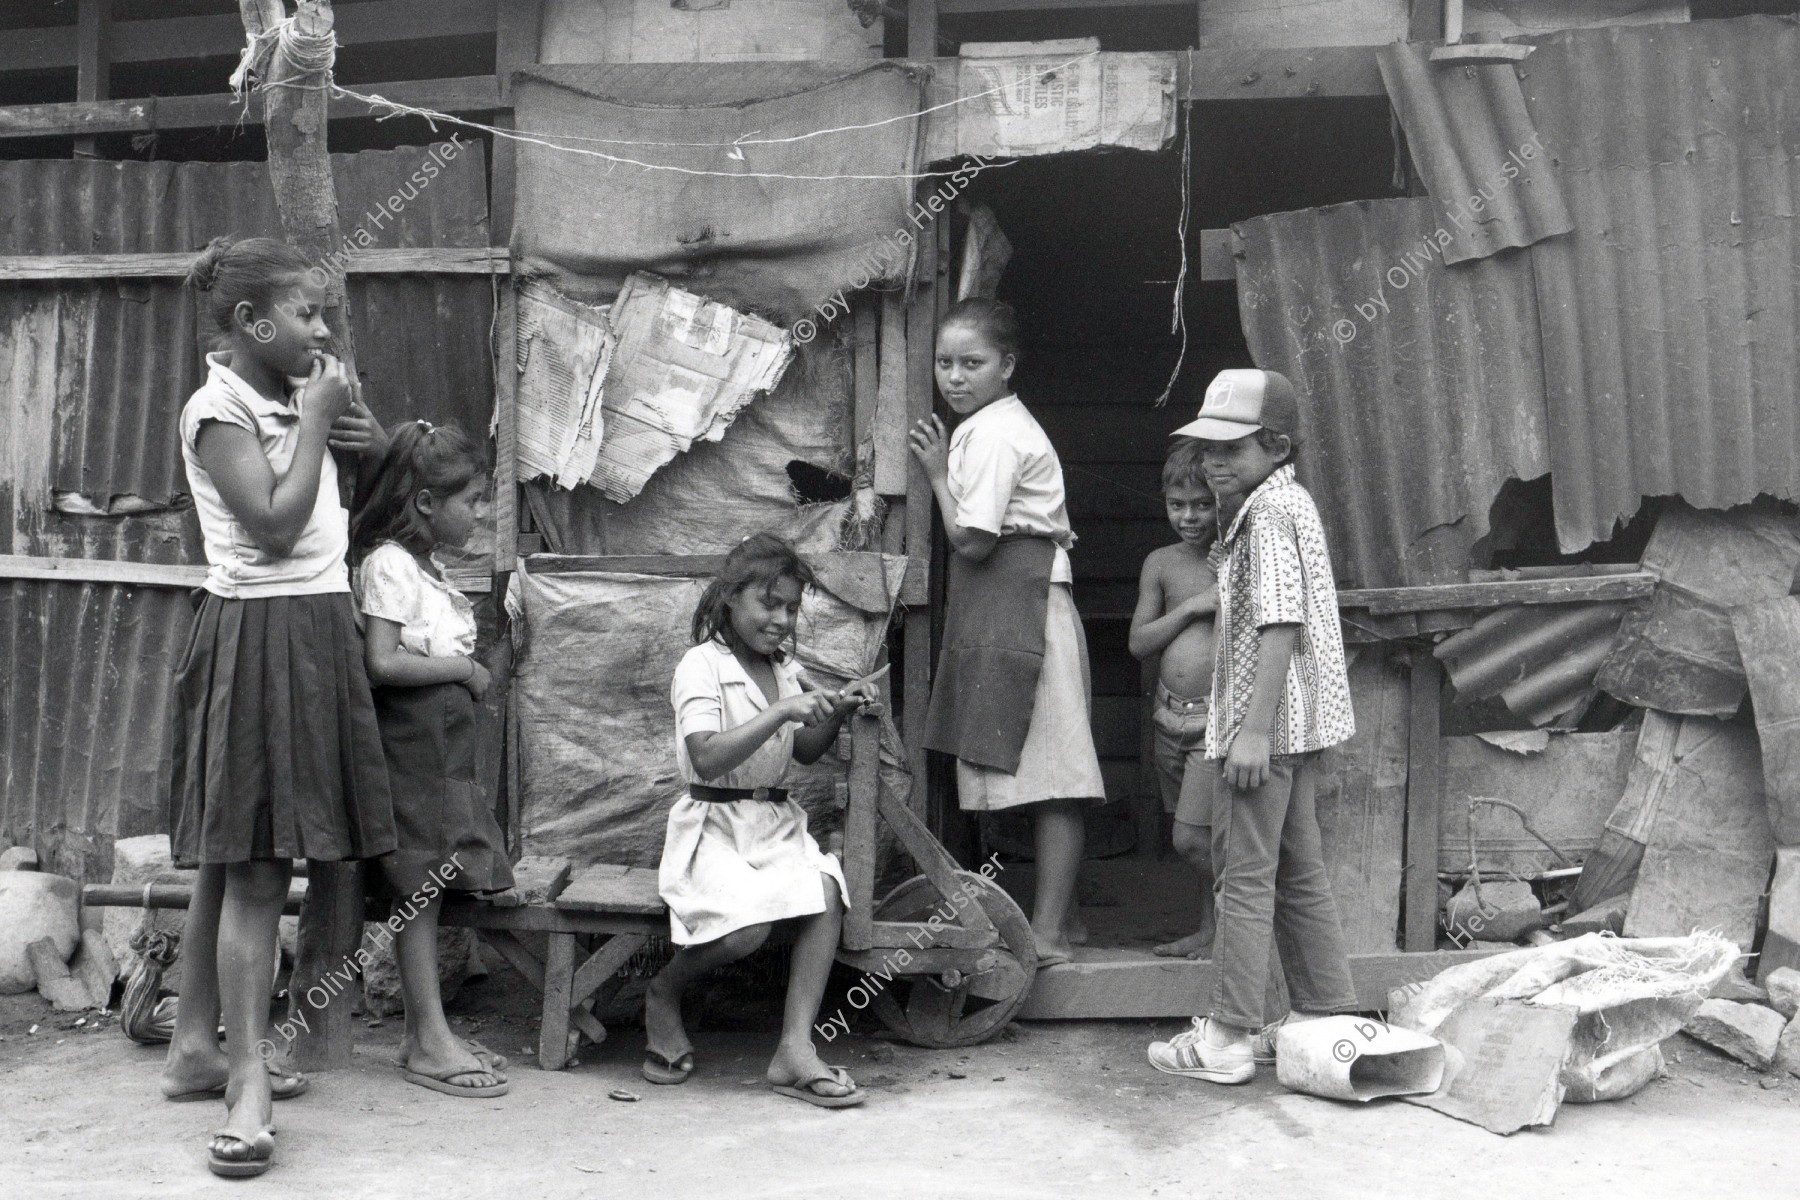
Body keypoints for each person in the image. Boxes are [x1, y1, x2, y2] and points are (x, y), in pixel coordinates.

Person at [160, 236, 396, 1177]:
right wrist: (317, 417)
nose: (324, 329)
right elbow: (271, 520)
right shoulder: (218, 408)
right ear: (254, 324)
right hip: (258, 633)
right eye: (308, 314)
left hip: (314, 624)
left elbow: (344, 509)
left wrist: (359, 441)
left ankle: (192, 1046)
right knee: (258, 865)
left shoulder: (293, 398)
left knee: (241, 845)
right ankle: (248, 1081)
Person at [1146, 368, 1358, 1085]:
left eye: (1230, 449)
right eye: (1206, 447)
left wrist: (1253, 730)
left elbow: (1280, 623)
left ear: (1275, 445)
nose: (1212, 462)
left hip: (1267, 725)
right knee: (1298, 871)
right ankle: (1325, 1017)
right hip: (1298, 724)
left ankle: (1229, 1037)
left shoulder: (1266, 514)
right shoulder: (1284, 501)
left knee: (1241, 876)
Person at [643, 534, 881, 1108]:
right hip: (713, 825)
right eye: (768, 604)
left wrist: (837, 712)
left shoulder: (784, 668)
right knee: (746, 927)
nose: (780, 620)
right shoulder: (701, 666)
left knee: (826, 892)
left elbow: (801, 752)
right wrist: (781, 709)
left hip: (774, 821)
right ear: (729, 598)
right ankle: (663, 993)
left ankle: (794, 1049)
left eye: (791, 608)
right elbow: (706, 755)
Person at [908, 298, 1106, 967]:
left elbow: (971, 538)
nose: (955, 377)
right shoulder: (990, 425)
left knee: (1052, 774)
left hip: (1023, 603)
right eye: (945, 363)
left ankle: (1049, 932)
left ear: (1007, 365)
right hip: (1013, 600)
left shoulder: (993, 433)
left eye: (973, 362)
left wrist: (934, 474)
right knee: (1035, 766)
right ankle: (1066, 920)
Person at [352, 420, 515, 1099]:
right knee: (416, 888)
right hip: (412, 750)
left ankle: (430, 1030)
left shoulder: (426, 570)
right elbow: (382, 662)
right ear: (424, 503)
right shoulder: (390, 564)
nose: (481, 513)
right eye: (472, 500)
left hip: (440, 753)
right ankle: (424, 1040)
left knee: (432, 885)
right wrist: (464, 669)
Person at [1128, 439, 1220, 960]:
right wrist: (1191, 609)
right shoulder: (1161, 563)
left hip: (1214, 720)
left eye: (1202, 504)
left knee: (1192, 838)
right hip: (1168, 717)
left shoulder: (1235, 554)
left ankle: (1240, 924)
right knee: (1193, 839)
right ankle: (1209, 929)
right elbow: (1139, 643)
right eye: (1177, 505)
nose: (1189, 516)